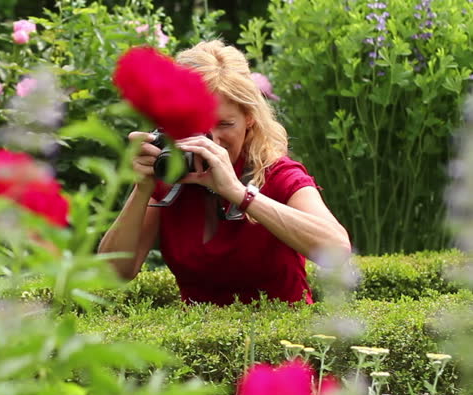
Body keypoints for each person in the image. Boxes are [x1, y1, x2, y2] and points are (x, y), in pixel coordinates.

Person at [98, 40, 351, 306]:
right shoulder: (172, 176)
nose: (213, 141)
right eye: (198, 125)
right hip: (198, 341)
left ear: (249, 118)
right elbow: (113, 273)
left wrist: (239, 193)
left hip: (284, 342)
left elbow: (336, 249)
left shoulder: (276, 174)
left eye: (225, 124)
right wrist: (142, 188)